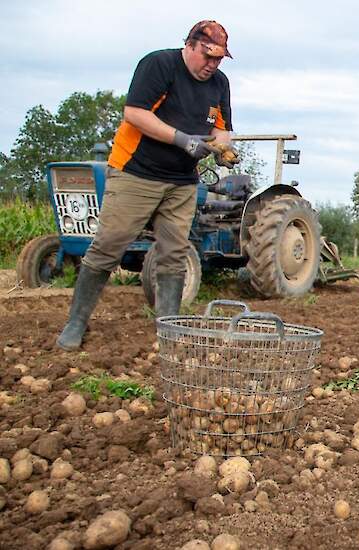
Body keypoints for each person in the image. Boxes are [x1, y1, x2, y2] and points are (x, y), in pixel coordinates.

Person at [57, 20, 239, 350]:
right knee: (108, 245)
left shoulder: (219, 84)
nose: (212, 65)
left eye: (218, 59)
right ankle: (76, 322)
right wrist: (183, 140)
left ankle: (167, 329)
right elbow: (135, 114)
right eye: (207, 56)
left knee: (173, 254)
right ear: (190, 45)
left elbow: (222, 128)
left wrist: (222, 149)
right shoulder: (159, 64)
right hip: (136, 173)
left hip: (182, 182)